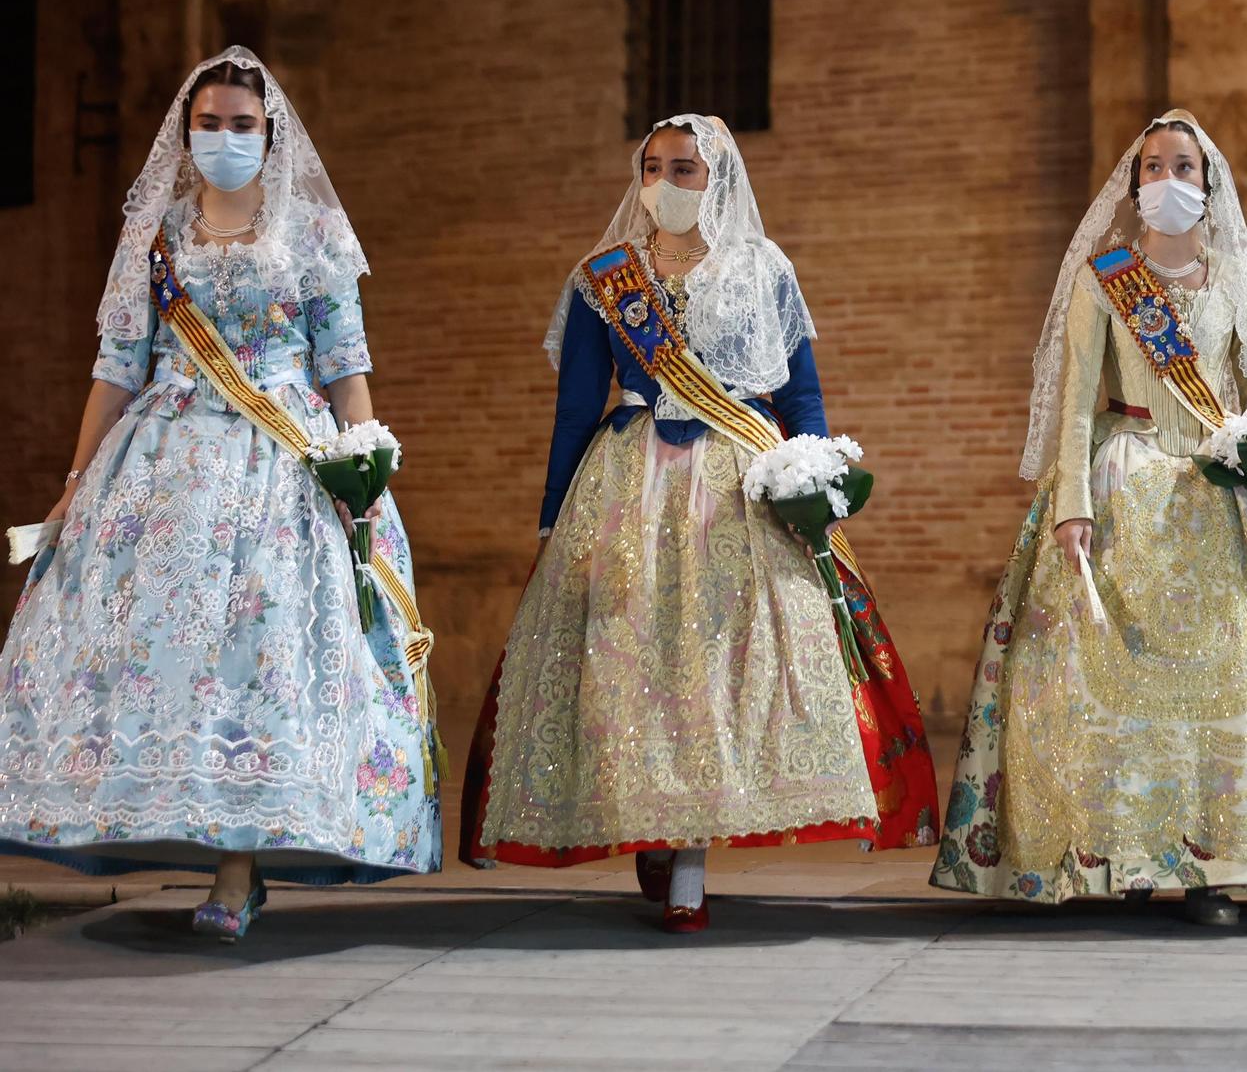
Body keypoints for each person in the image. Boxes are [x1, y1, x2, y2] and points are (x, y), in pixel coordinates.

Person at [0, 47, 443, 940]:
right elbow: (117, 365)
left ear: (269, 134)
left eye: (243, 124)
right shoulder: (158, 235)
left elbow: (345, 366)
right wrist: (76, 484)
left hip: (283, 464)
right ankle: (162, 820)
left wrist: (362, 472)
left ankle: (236, 872)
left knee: (262, 655)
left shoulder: (311, 233)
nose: (225, 137)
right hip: (161, 471)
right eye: (210, 122)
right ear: (186, 128)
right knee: (162, 656)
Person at [460, 115, 937, 933]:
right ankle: (658, 822)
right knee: (635, 665)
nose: (665, 183)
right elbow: (576, 407)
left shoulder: (762, 266)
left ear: (718, 176)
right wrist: (550, 522)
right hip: (629, 485)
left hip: (736, 488)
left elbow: (800, 393)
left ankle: (688, 859)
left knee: (721, 669)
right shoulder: (602, 277)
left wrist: (810, 473)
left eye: (684, 168)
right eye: (651, 167)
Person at [929, 111, 1247, 925]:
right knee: (1103, 678)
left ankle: (1220, 863)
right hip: (1122, 482)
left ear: (1207, 184)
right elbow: (1075, 403)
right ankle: (1119, 858)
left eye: (1184, 165)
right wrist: (1070, 504)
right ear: (1134, 184)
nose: (1167, 179)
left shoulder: (1236, 281)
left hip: (1222, 493)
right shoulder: (1104, 278)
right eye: (1152, 166)